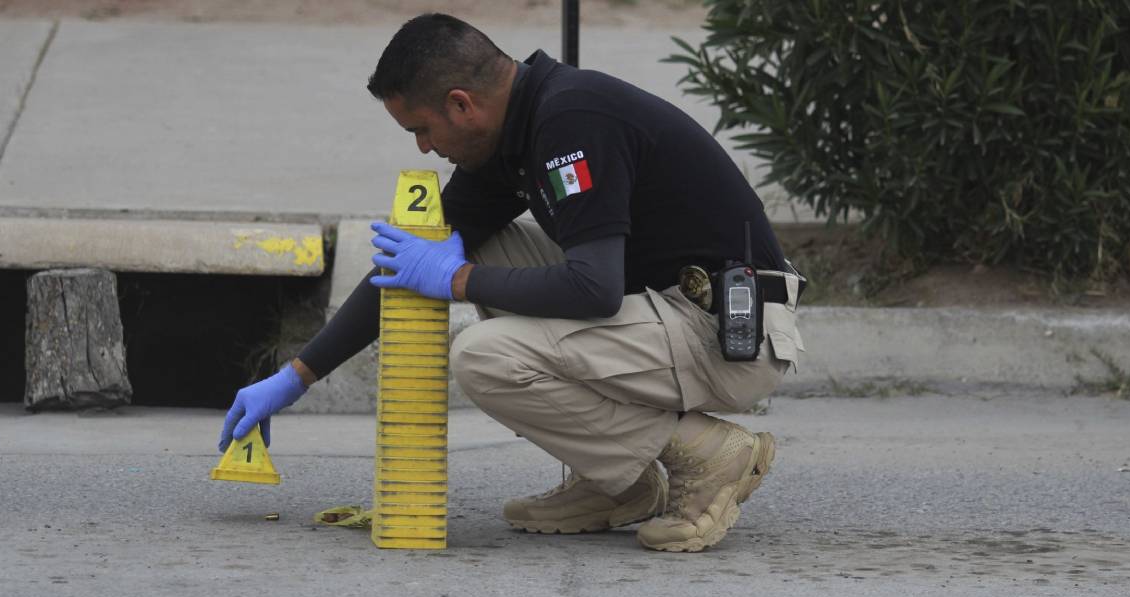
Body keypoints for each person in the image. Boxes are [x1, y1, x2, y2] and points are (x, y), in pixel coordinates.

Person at [218, 13, 805, 552]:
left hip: (728, 335)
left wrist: (459, 280)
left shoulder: (571, 122)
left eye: (421, 129)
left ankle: (708, 456)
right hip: (667, 312)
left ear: (461, 104)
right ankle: (616, 482)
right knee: (456, 244)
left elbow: (593, 290)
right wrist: (296, 376)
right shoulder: (511, 133)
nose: (426, 148)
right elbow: (412, 265)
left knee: (485, 358)